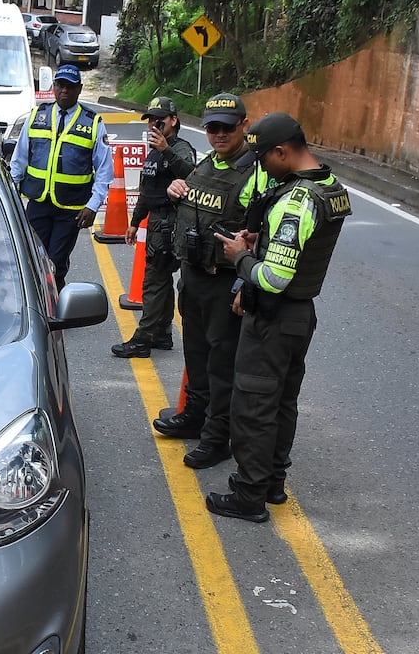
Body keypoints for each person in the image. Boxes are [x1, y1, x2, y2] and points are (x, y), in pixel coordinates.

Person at [205, 113, 352, 522]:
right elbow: (298, 249)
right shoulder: (328, 186)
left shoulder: (297, 200)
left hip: (274, 318)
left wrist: (241, 259)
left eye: (263, 159)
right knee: (282, 402)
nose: (261, 168)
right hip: (300, 315)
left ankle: (248, 496)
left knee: (253, 406)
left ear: (282, 152)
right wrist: (261, 239)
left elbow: (273, 277)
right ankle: (271, 483)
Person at [150, 93, 256, 470]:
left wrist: (247, 282)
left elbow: (261, 234)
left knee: (221, 363)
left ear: (244, 126)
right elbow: (195, 208)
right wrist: (175, 190)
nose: (219, 134)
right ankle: (195, 416)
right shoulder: (207, 162)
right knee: (195, 354)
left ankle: (217, 437)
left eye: (227, 128)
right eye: (212, 127)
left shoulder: (255, 173)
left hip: (224, 281)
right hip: (193, 276)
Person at [9, 64, 113, 290]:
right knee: (33, 259)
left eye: (70, 86)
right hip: (38, 203)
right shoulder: (37, 116)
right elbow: (19, 159)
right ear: (54, 87)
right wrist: (11, 194)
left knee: (55, 262)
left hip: (72, 210)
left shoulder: (92, 122)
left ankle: (55, 311)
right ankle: (37, 304)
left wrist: (93, 206)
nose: (64, 91)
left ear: (80, 89)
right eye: (60, 85)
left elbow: (104, 171)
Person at [112, 96, 196, 358]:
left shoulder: (180, 148)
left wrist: (165, 150)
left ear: (173, 120)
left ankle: (143, 339)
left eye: (159, 119)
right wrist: (135, 222)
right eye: (150, 120)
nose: (153, 125)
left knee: (153, 283)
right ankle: (162, 333)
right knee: (160, 281)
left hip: (171, 225)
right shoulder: (152, 152)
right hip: (156, 223)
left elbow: (191, 173)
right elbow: (147, 191)